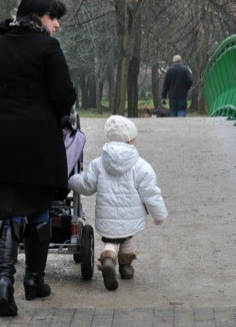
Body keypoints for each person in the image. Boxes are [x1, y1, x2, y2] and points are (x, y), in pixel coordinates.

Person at [0, 0, 76, 317]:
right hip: (38, 141)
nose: (56, 24)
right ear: (36, 17)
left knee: (8, 215)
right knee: (40, 209)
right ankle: (33, 280)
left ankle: (4, 284)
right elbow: (63, 97)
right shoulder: (48, 48)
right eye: (52, 17)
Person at [68, 115, 168, 290]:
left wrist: (71, 179)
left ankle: (109, 259)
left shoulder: (98, 164)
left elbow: (86, 185)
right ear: (131, 140)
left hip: (107, 217)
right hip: (130, 217)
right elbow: (151, 193)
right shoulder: (141, 166)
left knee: (112, 241)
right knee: (126, 236)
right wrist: (159, 215)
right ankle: (126, 267)